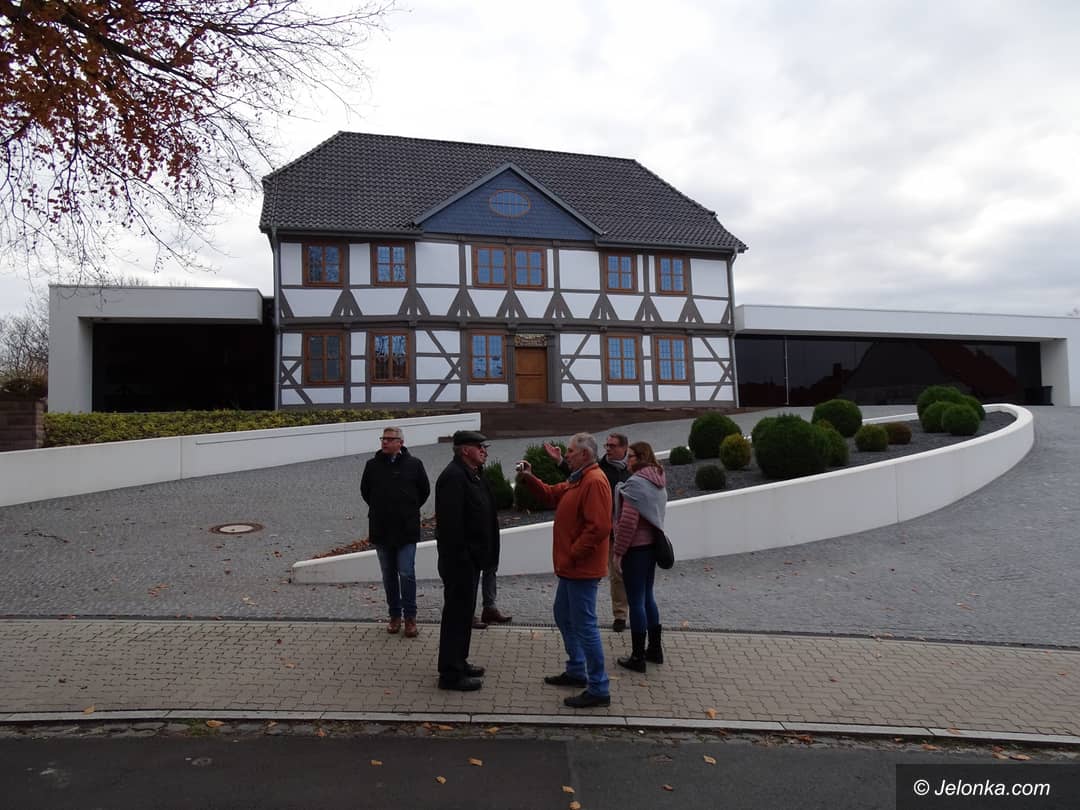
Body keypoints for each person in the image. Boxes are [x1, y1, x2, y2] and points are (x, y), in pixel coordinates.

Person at [519, 432, 613, 709]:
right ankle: (576, 670)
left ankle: (599, 688)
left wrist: (574, 553)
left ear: (585, 454)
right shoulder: (578, 479)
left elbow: (599, 526)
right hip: (572, 568)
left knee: (585, 626)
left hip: (581, 567)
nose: (566, 455)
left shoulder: (594, 481)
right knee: (563, 615)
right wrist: (529, 477)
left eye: (571, 451)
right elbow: (551, 494)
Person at [545, 432, 631, 631]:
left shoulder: (630, 470)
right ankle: (620, 615)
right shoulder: (600, 469)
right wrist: (560, 462)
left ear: (624, 448)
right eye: (607, 445)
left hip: (626, 532)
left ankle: (632, 613)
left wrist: (574, 552)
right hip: (608, 535)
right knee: (615, 576)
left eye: (613, 446)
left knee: (626, 577)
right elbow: (577, 477)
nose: (608, 449)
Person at [434, 430, 499, 691]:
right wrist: (464, 556)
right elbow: (451, 525)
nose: (484, 451)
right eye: (479, 447)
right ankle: (450, 674)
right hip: (459, 561)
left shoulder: (473, 474)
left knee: (463, 616)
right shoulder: (453, 477)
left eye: (485, 447)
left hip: (471, 560)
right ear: (464, 450)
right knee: (456, 616)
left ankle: (459, 662)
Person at [360, 426, 430, 639]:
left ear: (400, 443)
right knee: (388, 574)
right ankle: (394, 615)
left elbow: (424, 491)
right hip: (381, 529)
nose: (385, 442)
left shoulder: (414, 464)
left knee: (406, 573)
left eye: (390, 439)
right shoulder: (372, 465)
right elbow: (366, 492)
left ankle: (410, 617)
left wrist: (408, 509)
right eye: (383, 438)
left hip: (406, 529)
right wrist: (381, 509)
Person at [611, 441, 667, 672]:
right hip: (652, 547)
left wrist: (618, 553)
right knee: (647, 598)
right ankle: (654, 650)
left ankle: (637, 657)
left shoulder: (636, 483)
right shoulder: (657, 480)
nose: (627, 460)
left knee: (636, 601)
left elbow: (628, 523)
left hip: (636, 550)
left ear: (640, 458)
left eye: (631, 456)